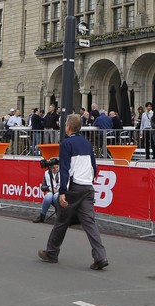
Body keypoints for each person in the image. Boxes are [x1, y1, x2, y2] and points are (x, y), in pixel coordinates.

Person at [37, 114, 108, 270]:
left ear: (68, 127)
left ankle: (52, 252)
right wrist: (89, 180)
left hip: (74, 187)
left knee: (61, 220)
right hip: (87, 186)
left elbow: (65, 169)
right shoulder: (87, 143)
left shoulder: (66, 144)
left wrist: (63, 192)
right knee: (89, 223)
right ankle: (100, 256)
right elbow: (94, 166)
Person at [32, 157, 60, 223]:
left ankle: (60, 216)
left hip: (61, 193)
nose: (55, 169)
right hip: (52, 192)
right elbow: (42, 187)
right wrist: (49, 188)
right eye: (53, 168)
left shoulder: (62, 173)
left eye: (57, 167)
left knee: (55, 196)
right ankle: (42, 216)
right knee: (48, 196)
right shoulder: (47, 173)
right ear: (50, 168)